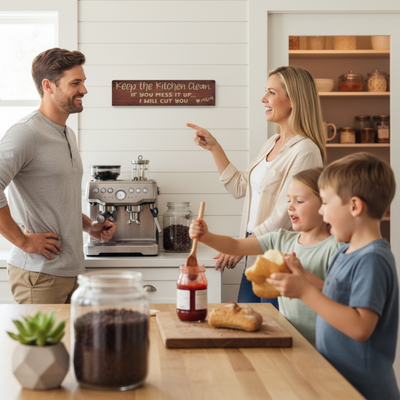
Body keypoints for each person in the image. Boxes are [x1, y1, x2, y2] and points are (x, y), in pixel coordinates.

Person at [187, 65, 326, 307]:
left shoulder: (305, 150)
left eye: (271, 92)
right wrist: (214, 148)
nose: (263, 99)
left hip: (279, 262)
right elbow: (239, 187)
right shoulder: (272, 142)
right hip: (255, 257)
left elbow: (284, 215)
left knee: (273, 338)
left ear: (293, 99)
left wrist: (243, 246)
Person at [268, 153, 399, 400]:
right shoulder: (345, 251)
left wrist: (304, 291)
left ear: (355, 206)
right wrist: (303, 276)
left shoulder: (372, 259)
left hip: (363, 389)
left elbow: (360, 326)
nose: (321, 212)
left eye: (326, 203)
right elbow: (335, 295)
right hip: (336, 380)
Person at [0, 48, 116, 304]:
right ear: (48, 86)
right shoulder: (25, 133)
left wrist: (90, 227)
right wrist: (21, 240)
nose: (84, 90)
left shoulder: (67, 133)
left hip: (73, 273)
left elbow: (58, 199)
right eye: (75, 83)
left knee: (73, 345)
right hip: (40, 275)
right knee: (41, 346)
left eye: (83, 82)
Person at [190, 167, 342, 345]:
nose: (290, 206)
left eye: (299, 201)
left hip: (322, 343)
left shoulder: (335, 248)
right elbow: (237, 245)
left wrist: (303, 276)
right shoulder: (281, 238)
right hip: (289, 337)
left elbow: (339, 294)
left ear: (323, 204)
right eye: (288, 200)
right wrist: (207, 237)